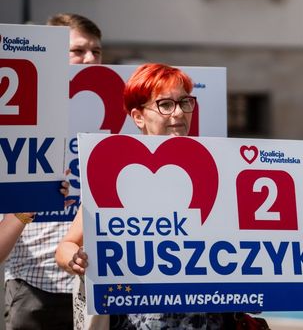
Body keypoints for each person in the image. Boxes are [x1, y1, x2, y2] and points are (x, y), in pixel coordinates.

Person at [55, 63, 235, 329]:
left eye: (185, 102)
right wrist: (76, 259)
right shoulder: (114, 177)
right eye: (165, 104)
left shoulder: (220, 170)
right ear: (138, 117)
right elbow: (66, 246)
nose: (179, 113)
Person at [4, 13, 102, 330]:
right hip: (34, 288)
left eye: (96, 51)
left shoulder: (115, 125)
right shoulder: (16, 126)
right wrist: (28, 202)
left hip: (95, 287)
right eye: (78, 50)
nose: (90, 59)